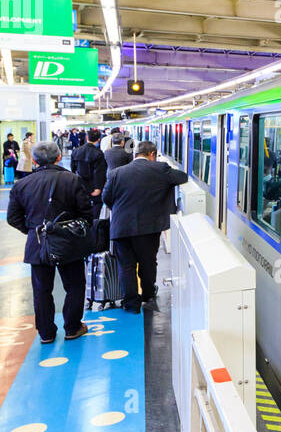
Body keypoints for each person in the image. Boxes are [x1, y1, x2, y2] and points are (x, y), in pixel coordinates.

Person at [6, 139, 91, 343]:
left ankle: (46, 333)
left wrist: (33, 230)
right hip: (68, 242)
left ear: (34, 161)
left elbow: (13, 218)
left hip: (38, 242)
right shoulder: (72, 180)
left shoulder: (22, 185)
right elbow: (87, 212)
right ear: (59, 157)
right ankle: (72, 327)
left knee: (42, 289)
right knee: (75, 285)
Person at [102, 140, 188, 313]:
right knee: (148, 262)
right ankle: (148, 294)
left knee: (126, 266)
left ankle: (131, 304)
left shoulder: (116, 173)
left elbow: (106, 198)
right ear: (152, 154)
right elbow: (183, 177)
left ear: (134, 155)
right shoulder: (160, 169)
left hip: (121, 227)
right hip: (148, 228)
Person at [71, 127, 107, 215]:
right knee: (96, 205)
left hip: (80, 183)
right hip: (93, 184)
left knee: (81, 204)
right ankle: (94, 224)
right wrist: (98, 187)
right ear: (99, 139)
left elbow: (73, 168)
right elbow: (99, 171)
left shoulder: (76, 151)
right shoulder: (98, 153)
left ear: (87, 138)